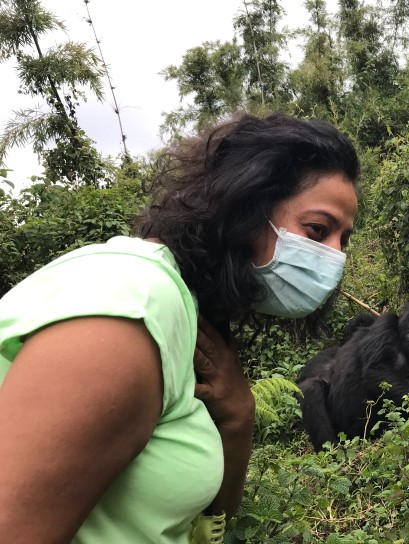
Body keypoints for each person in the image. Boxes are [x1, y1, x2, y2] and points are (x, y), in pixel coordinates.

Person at [0, 112, 360, 543]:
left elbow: (210, 522)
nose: (335, 257)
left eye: (343, 240)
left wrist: (238, 417)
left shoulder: (193, 312)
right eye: (318, 230)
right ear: (246, 206)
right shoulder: (128, 309)